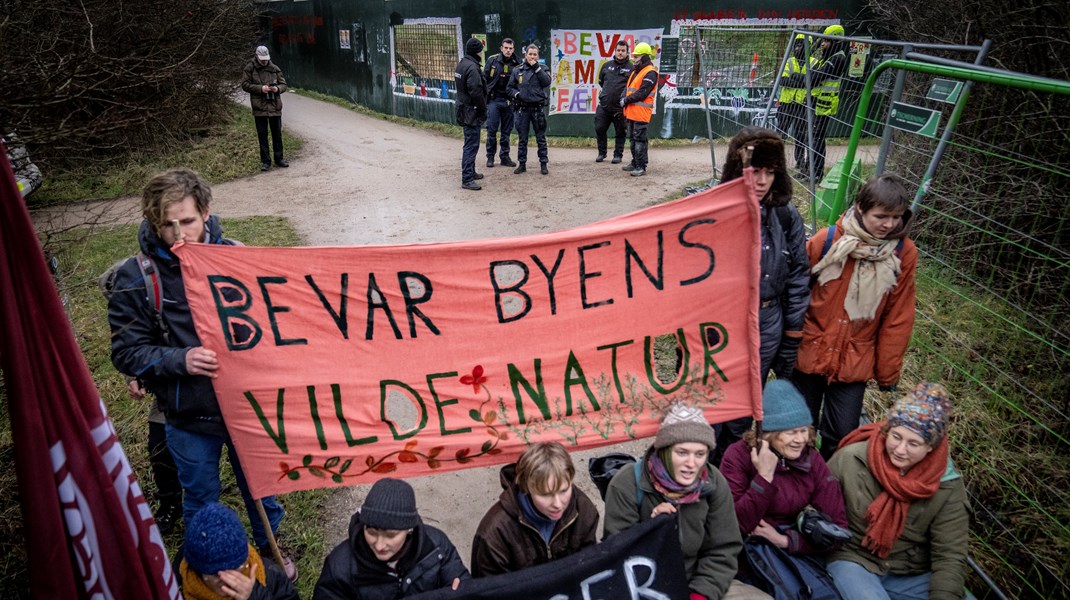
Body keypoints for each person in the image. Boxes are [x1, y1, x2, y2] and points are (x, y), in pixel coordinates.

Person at [108, 168, 294, 580]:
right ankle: (207, 567)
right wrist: (181, 359)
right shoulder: (135, 277)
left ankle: (270, 548)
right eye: (167, 225)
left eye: (188, 221)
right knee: (200, 496)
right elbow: (126, 352)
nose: (179, 235)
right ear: (153, 221)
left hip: (247, 410)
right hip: (188, 415)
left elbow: (275, 327)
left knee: (261, 488)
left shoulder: (237, 257)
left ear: (206, 213)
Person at [792, 173, 917, 461]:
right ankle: (796, 483)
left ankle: (830, 486)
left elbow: (898, 315)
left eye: (897, 217)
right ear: (860, 208)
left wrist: (887, 372)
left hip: (854, 358)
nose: (889, 224)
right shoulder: (828, 241)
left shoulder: (903, 253)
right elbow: (798, 292)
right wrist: (787, 343)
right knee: (799, 428)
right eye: (881, 216)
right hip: (811, 349)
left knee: (843, 433)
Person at [711, 127, 809, 464]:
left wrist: (793, 331)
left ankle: (730, 470)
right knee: (712, 397)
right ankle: (701, 465)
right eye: (755, 171)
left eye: (770, 172)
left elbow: (798, 275)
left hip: (767, 320)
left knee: (744, 401)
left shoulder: (785, 216)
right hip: (721, 322)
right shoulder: (712, 213)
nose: (762, 180)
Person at [603, 403, 769, 600]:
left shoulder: (713, 481)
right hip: (642, 587)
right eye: (682, 453)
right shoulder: (627, 482)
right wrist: (652, 530)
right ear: (664, 450)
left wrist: (700, 595)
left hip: (698, 581)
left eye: (700, 454)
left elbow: (723, 549)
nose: (692, 464)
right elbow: (617, 555)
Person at [827, 383, 969, 599]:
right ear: (886, 430)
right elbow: (815, 503)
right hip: (854, 559)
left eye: (914, 443)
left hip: (911, 573)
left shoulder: (947, 485)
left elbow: (949, 555)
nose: (900, 450)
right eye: (896, 437)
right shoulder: (852, 458)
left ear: (931, 447)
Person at [720, 380, 848, 581]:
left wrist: (786, 541)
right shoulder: (738, 455)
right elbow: (735, 523)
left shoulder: (812, 459)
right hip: (744, 555)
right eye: (791, 432)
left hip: (793, 553)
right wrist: (764, 477)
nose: (800, 440)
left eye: (804, 430)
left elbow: (838, 529)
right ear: (769, 434)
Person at [313, 478, 470, 599]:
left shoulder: (436, 546)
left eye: (391, 535)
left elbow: (462, 583)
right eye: (372, 532)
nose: (380, 545)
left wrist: (462, 592)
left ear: (409, 529)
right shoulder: (339, 566)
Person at [470, 441, 599, 577]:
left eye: (564, 490)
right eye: (545, 494)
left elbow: (590, 567)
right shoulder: (495, 534)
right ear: (526, 488)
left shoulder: (583, 509)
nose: (558, 504)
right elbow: (491, 591)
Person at [176, 503, 299, 600]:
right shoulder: (179, 577)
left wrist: (256, 596)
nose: (229, 580)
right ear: (198, 570)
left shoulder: (271, 576)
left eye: (236, 567)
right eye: (216, 574)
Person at [127, 378, 184, 534]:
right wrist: (133, 378)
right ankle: (170, 504)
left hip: (212, 394)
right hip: (167, 395)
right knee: (159, 448)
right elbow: (131, 353)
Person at [807, 25, 847, 179]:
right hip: (817, 102)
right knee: (813, 137)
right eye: (822, 41)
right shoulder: (828, 57)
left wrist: (810, 76)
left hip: (824, 104)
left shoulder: (838, 58)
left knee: (817, 139)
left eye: (826, 41)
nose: (823, 44)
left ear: (836, 42)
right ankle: (812, 171)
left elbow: (815, 78)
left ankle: (816, 174)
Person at [241, 45, 289, 173]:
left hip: (274, 105)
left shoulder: (274, 69)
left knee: (277, 134)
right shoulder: (249, 68)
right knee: (262, 135)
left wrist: (277, 89)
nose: (264, 61)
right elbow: (244, 85)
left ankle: (279, 159)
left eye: (266, 59)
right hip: (259, 106)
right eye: (262, 59)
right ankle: (265, 161)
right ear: (257, 56)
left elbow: (284, 84)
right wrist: (260, 89)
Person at [507, 44, 551, 175]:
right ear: (525, 55)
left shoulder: (543, 68)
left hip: (537, 109)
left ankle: (543, 164)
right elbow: (509, 88)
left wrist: (536, 67)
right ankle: (522, 164)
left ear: (538, 56)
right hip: (523, 109)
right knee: (522, 138)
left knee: (541, 138)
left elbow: (547, 82)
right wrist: (517, 95)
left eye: (535, 54)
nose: (532, 57)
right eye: (530, 54)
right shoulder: (517, 70)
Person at [620, 41, 659, 177]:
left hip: (641, 114)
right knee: (633, 139)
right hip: (631, 112)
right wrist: (623, 97)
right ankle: (635, 162)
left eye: (636, 57)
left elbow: (642, 93)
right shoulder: (636, 71)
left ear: (644, 57)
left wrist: (625, 100)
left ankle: (641, 166)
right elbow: (628, 88)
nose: (634, 59)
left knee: (639, 140)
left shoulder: (650, 73)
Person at [778, 34, 816, 172]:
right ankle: (776, 161)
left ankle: (800, 162)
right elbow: (783, 81)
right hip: (787, 103)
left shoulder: (813, 62)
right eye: (796, 45)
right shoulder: (789, 61)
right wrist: (802, 81)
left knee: (800, 135)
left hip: (802, 104)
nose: (797, 48)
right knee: (781, 133)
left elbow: (812, 83)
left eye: (801, 45)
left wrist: (795, 78)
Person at [455, 37, 487, 191]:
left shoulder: (462, 64)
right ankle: (467, 178)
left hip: (464, 108)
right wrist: (482, 109)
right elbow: (476, 91)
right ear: (477, 51)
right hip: (471, 111)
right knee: (471, 145)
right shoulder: (473, 68)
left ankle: (471, 172)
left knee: (470, 143)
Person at [483, 38, 521, 169]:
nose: (508, 51)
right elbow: (484, 79)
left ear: (513, 49)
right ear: (501, 48)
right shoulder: (492, 61)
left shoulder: (518, 63)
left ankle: (504, 156)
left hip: (509, 101)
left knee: (506, 131)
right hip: (494, 100)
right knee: (492, 129)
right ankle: (490, 157)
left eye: (510, 48)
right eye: (506, 48)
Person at [594, 40, 633, 164]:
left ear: (627, 53)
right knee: (599, 128)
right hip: (604, 106)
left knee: (620, 132)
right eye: (618, 50)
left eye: (623, 51)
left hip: (620, 108)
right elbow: (601, 82)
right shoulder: (606, 66)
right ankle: (602, 153)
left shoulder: (632, 68)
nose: (620, 53)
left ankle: (618, 155)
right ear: (615, 51)